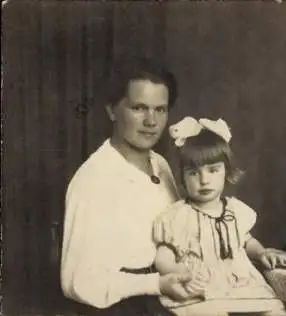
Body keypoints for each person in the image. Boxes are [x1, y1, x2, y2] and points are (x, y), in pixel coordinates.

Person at [60, 56, 202, 315]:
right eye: (139, 108)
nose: (152, 121)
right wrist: (155, 284)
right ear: (112, 110)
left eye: (160, 109)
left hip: (168, 297)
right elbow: (78, 282)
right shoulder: (94, 180)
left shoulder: (160, 164)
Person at [152, 117, 286, 316]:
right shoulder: (178, 216)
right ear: (182, 176)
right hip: (199, 286)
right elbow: (163, 256)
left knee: (276, 312)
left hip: (240, 283)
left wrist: (261, 253)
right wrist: (179, 273)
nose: (204, 180)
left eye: (213, 170)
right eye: (193, 173)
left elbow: (246, 241)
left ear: (226, 171)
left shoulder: (236, 210)